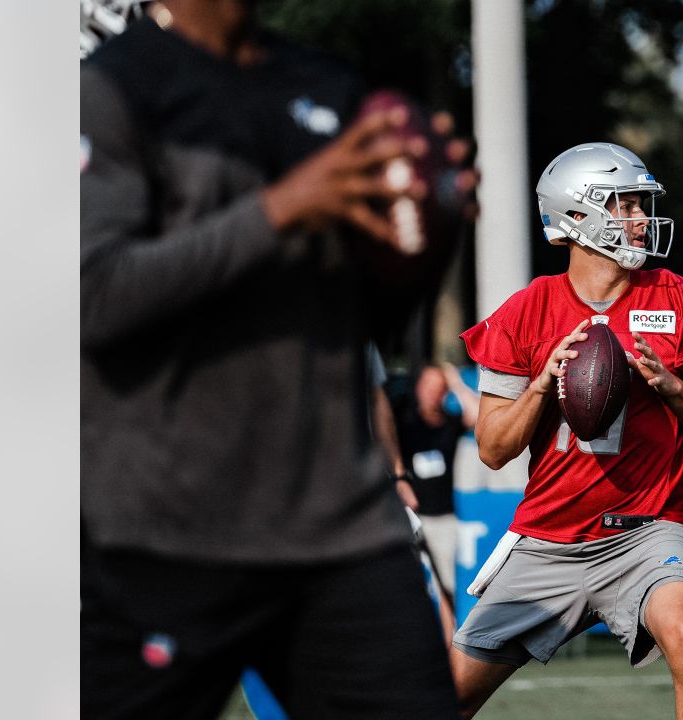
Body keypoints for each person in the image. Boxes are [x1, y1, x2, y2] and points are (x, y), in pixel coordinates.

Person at [80, 1, 462, 717]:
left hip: (339, 528)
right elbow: (92, 297)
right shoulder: (112, 86)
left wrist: (425, 240)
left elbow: (355, 324)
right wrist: (279, 209)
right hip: (166, 531)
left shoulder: (330, 88)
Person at [452, 142, 683, 719]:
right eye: (625, 204)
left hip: (648, 530)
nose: (640, 219)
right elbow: (493, 448)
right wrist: (541, 382)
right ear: (576, 217)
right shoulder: (526, 311)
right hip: (549, 539)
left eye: (641, 204)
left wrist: (673, 388)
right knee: (440, 697)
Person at [391, 362, 479, 642]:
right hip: (408, 516)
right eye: (428, 387)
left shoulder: (449, 423)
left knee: (445, 587)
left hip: (443, 518)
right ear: (418, 389)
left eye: (438, 388)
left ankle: (446, 643)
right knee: (405, 587)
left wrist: (455, 382)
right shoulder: (403, 424)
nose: (433, 394)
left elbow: (478, 416)